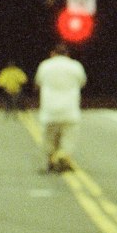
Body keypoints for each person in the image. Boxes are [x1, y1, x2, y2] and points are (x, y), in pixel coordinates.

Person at [33, 41, 87, 172]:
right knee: (68, 136)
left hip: (49, 109)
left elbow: (37, 82)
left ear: (52, 54)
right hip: (69, 109)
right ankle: (63, 156)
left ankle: (51, 160)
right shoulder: (75, 66)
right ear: (67, 55)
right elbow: (82, 82)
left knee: (49, 137)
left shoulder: (45, 65)